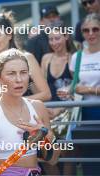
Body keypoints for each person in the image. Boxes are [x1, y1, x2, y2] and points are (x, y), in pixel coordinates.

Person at [0, 48, 60, 176]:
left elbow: (53, 160)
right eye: (11, 73)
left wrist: (47, 135)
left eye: (23, 72)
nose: (19, 79)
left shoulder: (38, 108)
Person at [0, 12, 51, 106]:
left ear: (9, 35)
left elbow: (46, 94)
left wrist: (13, 100)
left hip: (22, 115)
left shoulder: (27, 57)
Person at [41, 22, 76, 175]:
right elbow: (42, 89)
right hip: (49, 113)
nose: (54, 43)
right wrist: (44, 108)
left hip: (69, 113)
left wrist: (59, 109)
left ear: (66, 37)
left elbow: (78, 91)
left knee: (67, 153)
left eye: (57, 38)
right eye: (51, 39)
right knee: (46, 155)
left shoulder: (74, 57)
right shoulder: (46, 58)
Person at [70, 13, 100, 175]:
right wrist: (70, 91)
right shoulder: (77, 57)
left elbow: (83, 88)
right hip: (85, 113)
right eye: (86, 30)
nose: (91, 33)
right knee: (90, 159)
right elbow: (75, 86)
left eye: (95, 29)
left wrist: (89, 89)